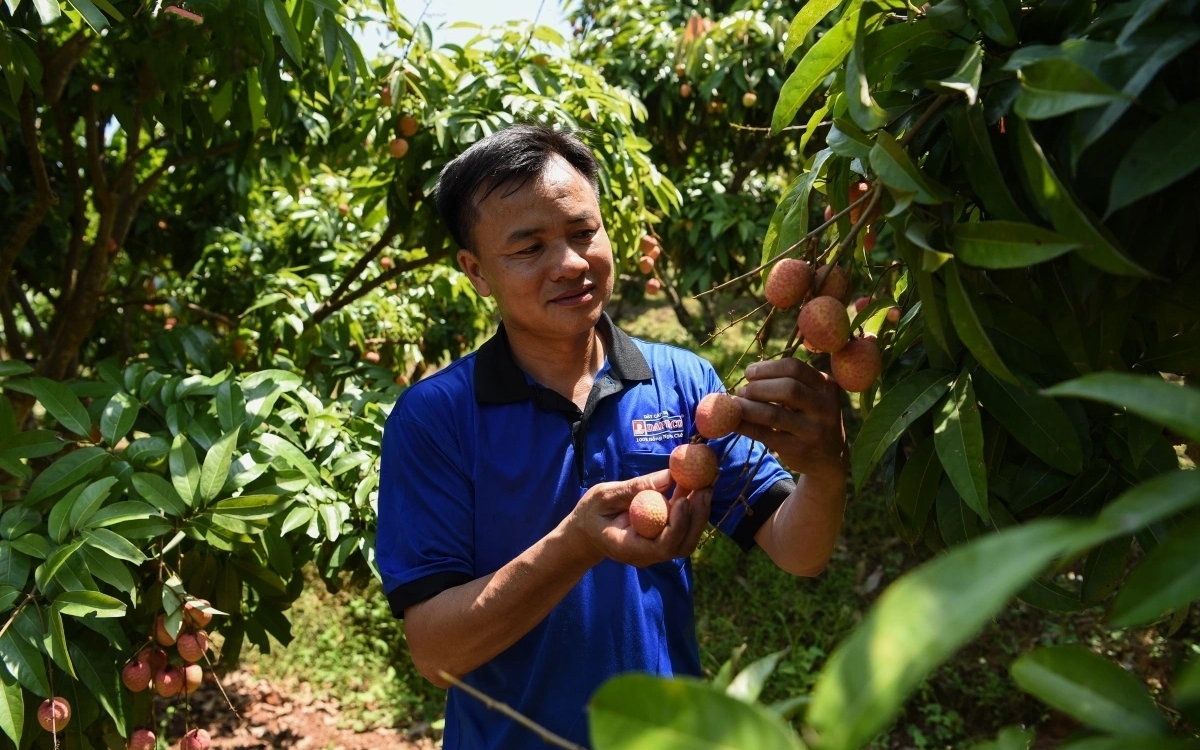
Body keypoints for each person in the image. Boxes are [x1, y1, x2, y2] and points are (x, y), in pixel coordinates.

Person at [376, 125, 847, 750]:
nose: (570, 263)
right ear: (476, 271)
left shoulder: (684, 383)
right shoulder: (434, 418)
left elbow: (798, 550)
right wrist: (577, 544)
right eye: (528, 248)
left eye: (582, 232)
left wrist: (826, 468)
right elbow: (435, 653)